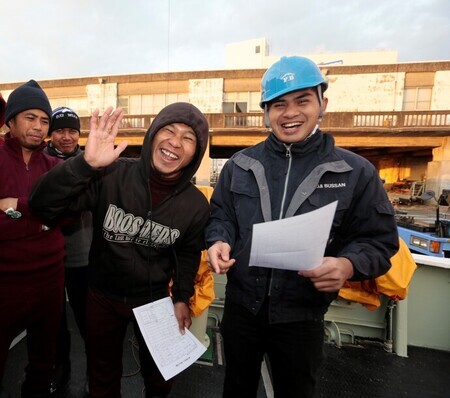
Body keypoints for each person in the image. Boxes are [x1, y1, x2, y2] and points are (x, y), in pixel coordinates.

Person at [205, 56, 399, 398]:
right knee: (236, 388)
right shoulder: (239, 165)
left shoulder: (355, 172)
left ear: (322, 103)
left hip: (301, 315)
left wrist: (347, 264)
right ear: (266, 111)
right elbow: (221, 216)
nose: (290, 112)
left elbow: (378, 241)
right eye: (279, 104)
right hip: (241, 309)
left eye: (302, 100)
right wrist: (218, 240)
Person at [29, 102, 210, 398]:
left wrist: (181, 298)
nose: (175, 141)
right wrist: (84, 165)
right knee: (102, 379)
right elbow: (41, 205)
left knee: (160, 380)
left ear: (195, 153)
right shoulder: (111, 175)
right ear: (152, 135)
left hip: (154, 300)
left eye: (188, 138)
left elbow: (189, 254)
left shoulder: (195, 205)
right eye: (168, 130)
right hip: (101, 296)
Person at [0, 80, 65, 398]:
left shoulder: (55, 167)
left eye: (44, 120)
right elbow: (52, 216)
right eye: (30, 117)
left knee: (43, 363)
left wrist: (16, 207)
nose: (39, 127)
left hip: (50, 282)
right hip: (5, 282)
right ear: (10, 120)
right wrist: (42, 220)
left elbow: (70, 215)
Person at [45, 107, 93, 394]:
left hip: (84, 256)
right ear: (51, 133)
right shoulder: (41, 161)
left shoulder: (91, 161)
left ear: (79, 133)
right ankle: (59, 371)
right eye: (60, 130)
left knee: (89, 321)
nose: (66, 137)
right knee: (54, 322)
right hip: (48, 257)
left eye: (72, 131)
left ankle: (93, 373)